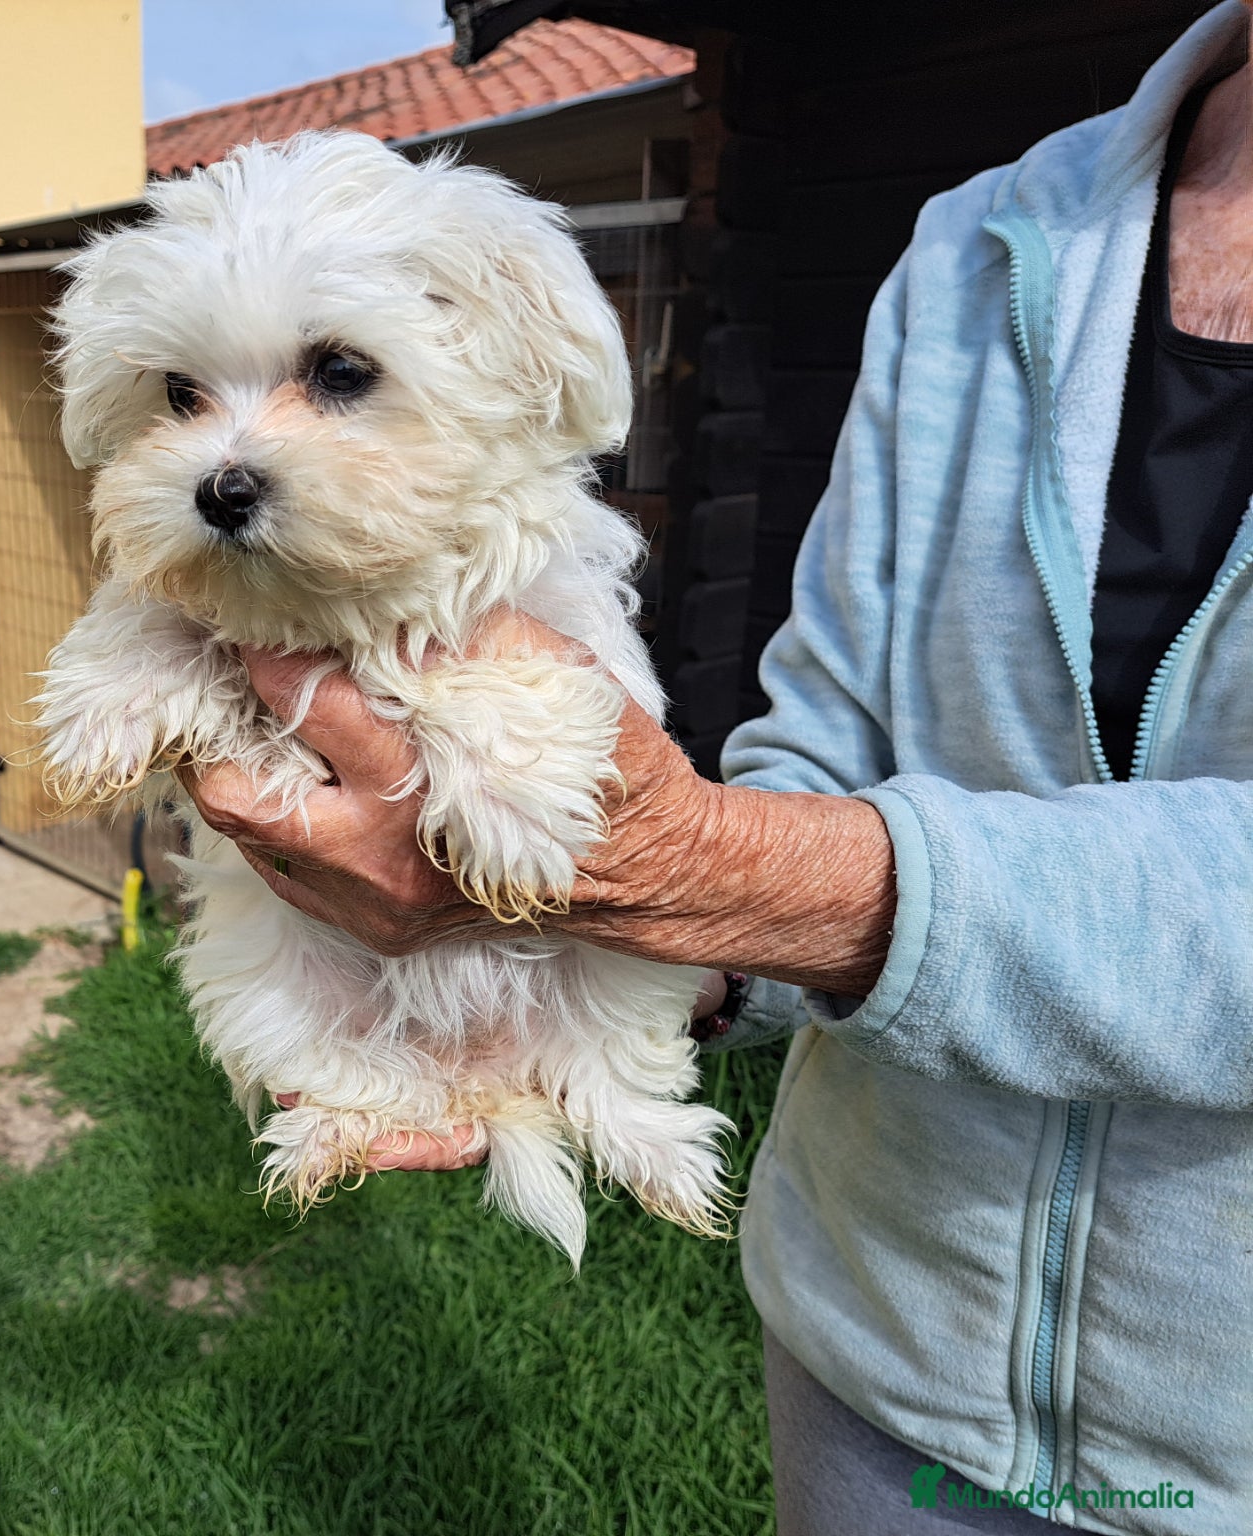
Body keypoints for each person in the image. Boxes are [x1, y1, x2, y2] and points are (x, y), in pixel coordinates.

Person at [178, 3, 1253, 1530]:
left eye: (334, 372)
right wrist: (656, 953)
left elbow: (741, 857)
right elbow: (820, 740)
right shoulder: (980, 241)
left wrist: (702, 875)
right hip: (877, 1350)